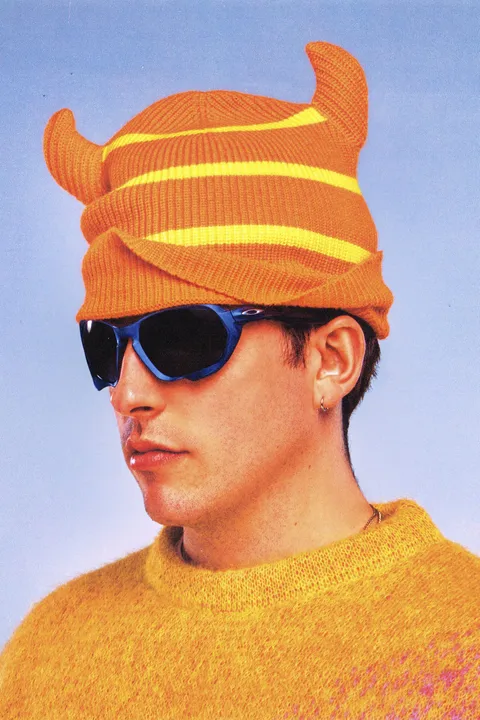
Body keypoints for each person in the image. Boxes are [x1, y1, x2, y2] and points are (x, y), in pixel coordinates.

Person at [1, 40, 478, 719]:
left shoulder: (464, 649)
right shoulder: (48, 656)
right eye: (106, 345)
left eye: (183, 338)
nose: (128, 393)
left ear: (331, 360)